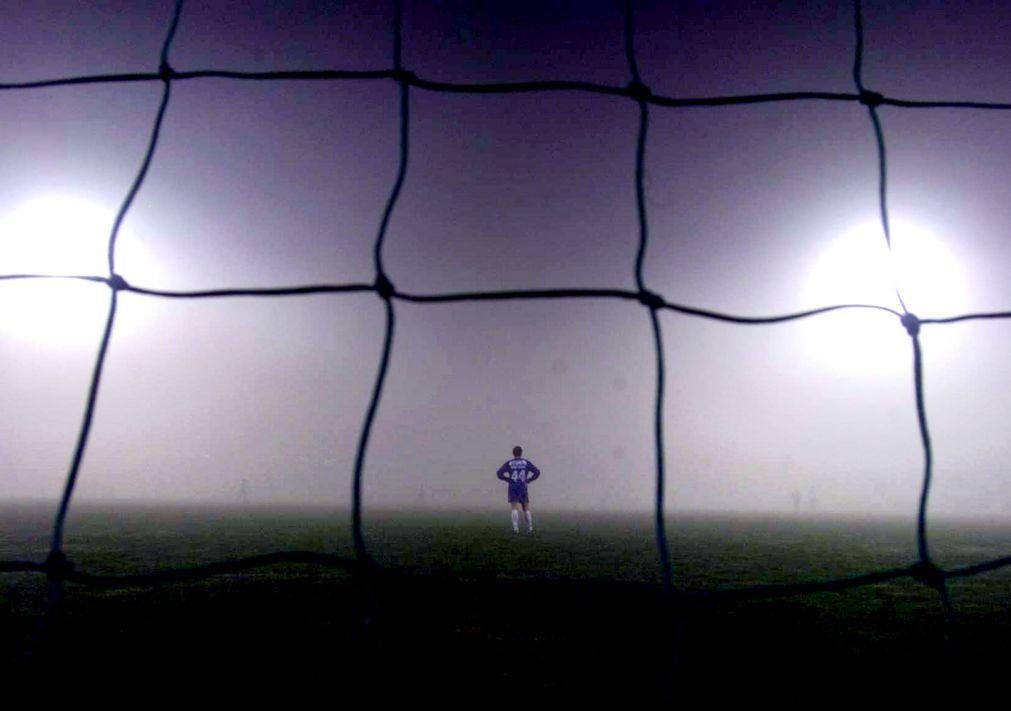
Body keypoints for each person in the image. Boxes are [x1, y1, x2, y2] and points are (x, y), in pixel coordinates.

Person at [496, 446, 541, 533]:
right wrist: (528, 480)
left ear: (513, 453)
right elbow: (537, 472)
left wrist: (508, 479)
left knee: (514, 507)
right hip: (523, 485)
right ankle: (530, 528)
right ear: (521, 453)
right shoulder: (525, 462)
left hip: (513, 486)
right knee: (526, 507)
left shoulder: (509, 463)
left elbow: (499, 473)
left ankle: (516, 528)